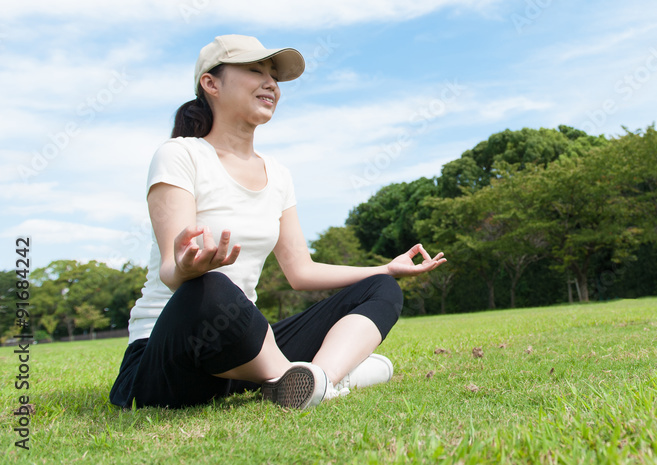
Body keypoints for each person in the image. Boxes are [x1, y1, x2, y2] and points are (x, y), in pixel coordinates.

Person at [109, 34, 446, 410]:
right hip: (171, 355)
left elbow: (300, 271)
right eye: (255, 70)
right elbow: (172, 271)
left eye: (274, 75)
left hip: (244, 352)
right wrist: (188, 268)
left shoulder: (279, 175)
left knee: (381, 288)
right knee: (212, 288)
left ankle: (313, 380)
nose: (270, 83)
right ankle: (317, 376)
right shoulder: (180, 154)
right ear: (211, 83)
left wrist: (384, 268)